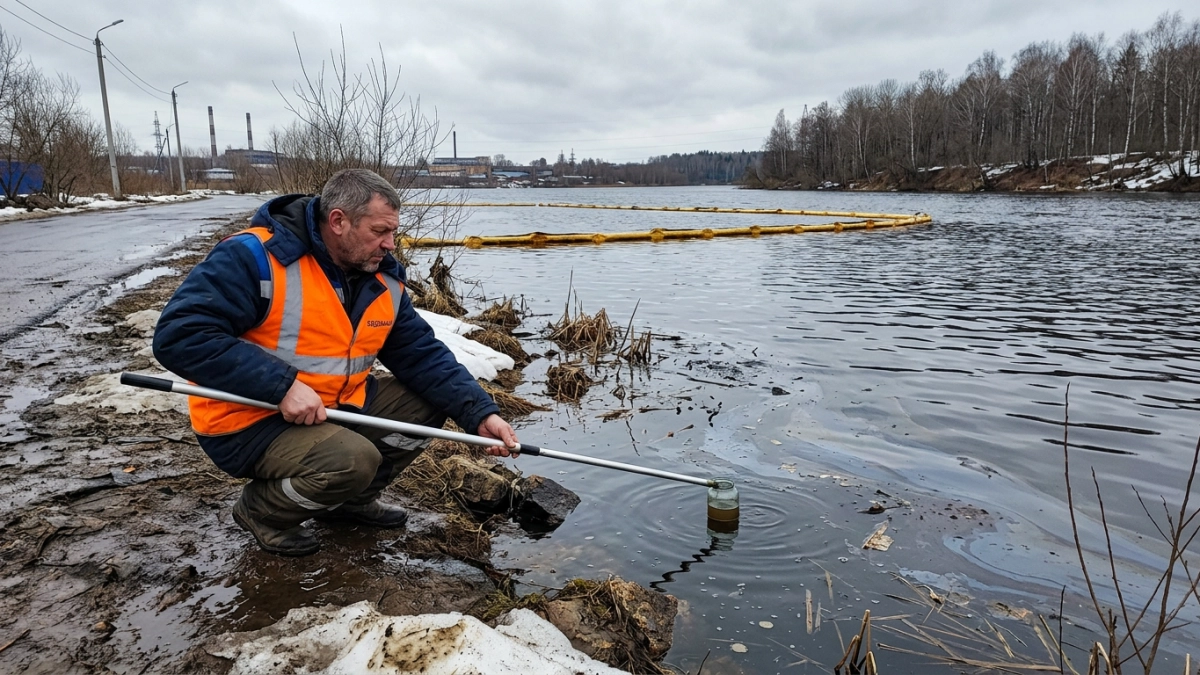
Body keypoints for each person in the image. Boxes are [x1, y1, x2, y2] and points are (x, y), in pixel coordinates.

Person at [153, 168, 518, 556]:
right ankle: (263, 511)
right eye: (379, 232)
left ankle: (348, 502)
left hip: (333, 407)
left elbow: (421, 354)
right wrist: (282, 387)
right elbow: (179, 335)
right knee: (352, 460)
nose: (390, 244)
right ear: (339, 221)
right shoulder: (254, 257)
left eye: (393, 232)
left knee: (429, 403)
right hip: (247, 418)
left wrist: (480, 413)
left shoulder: (381, 278)